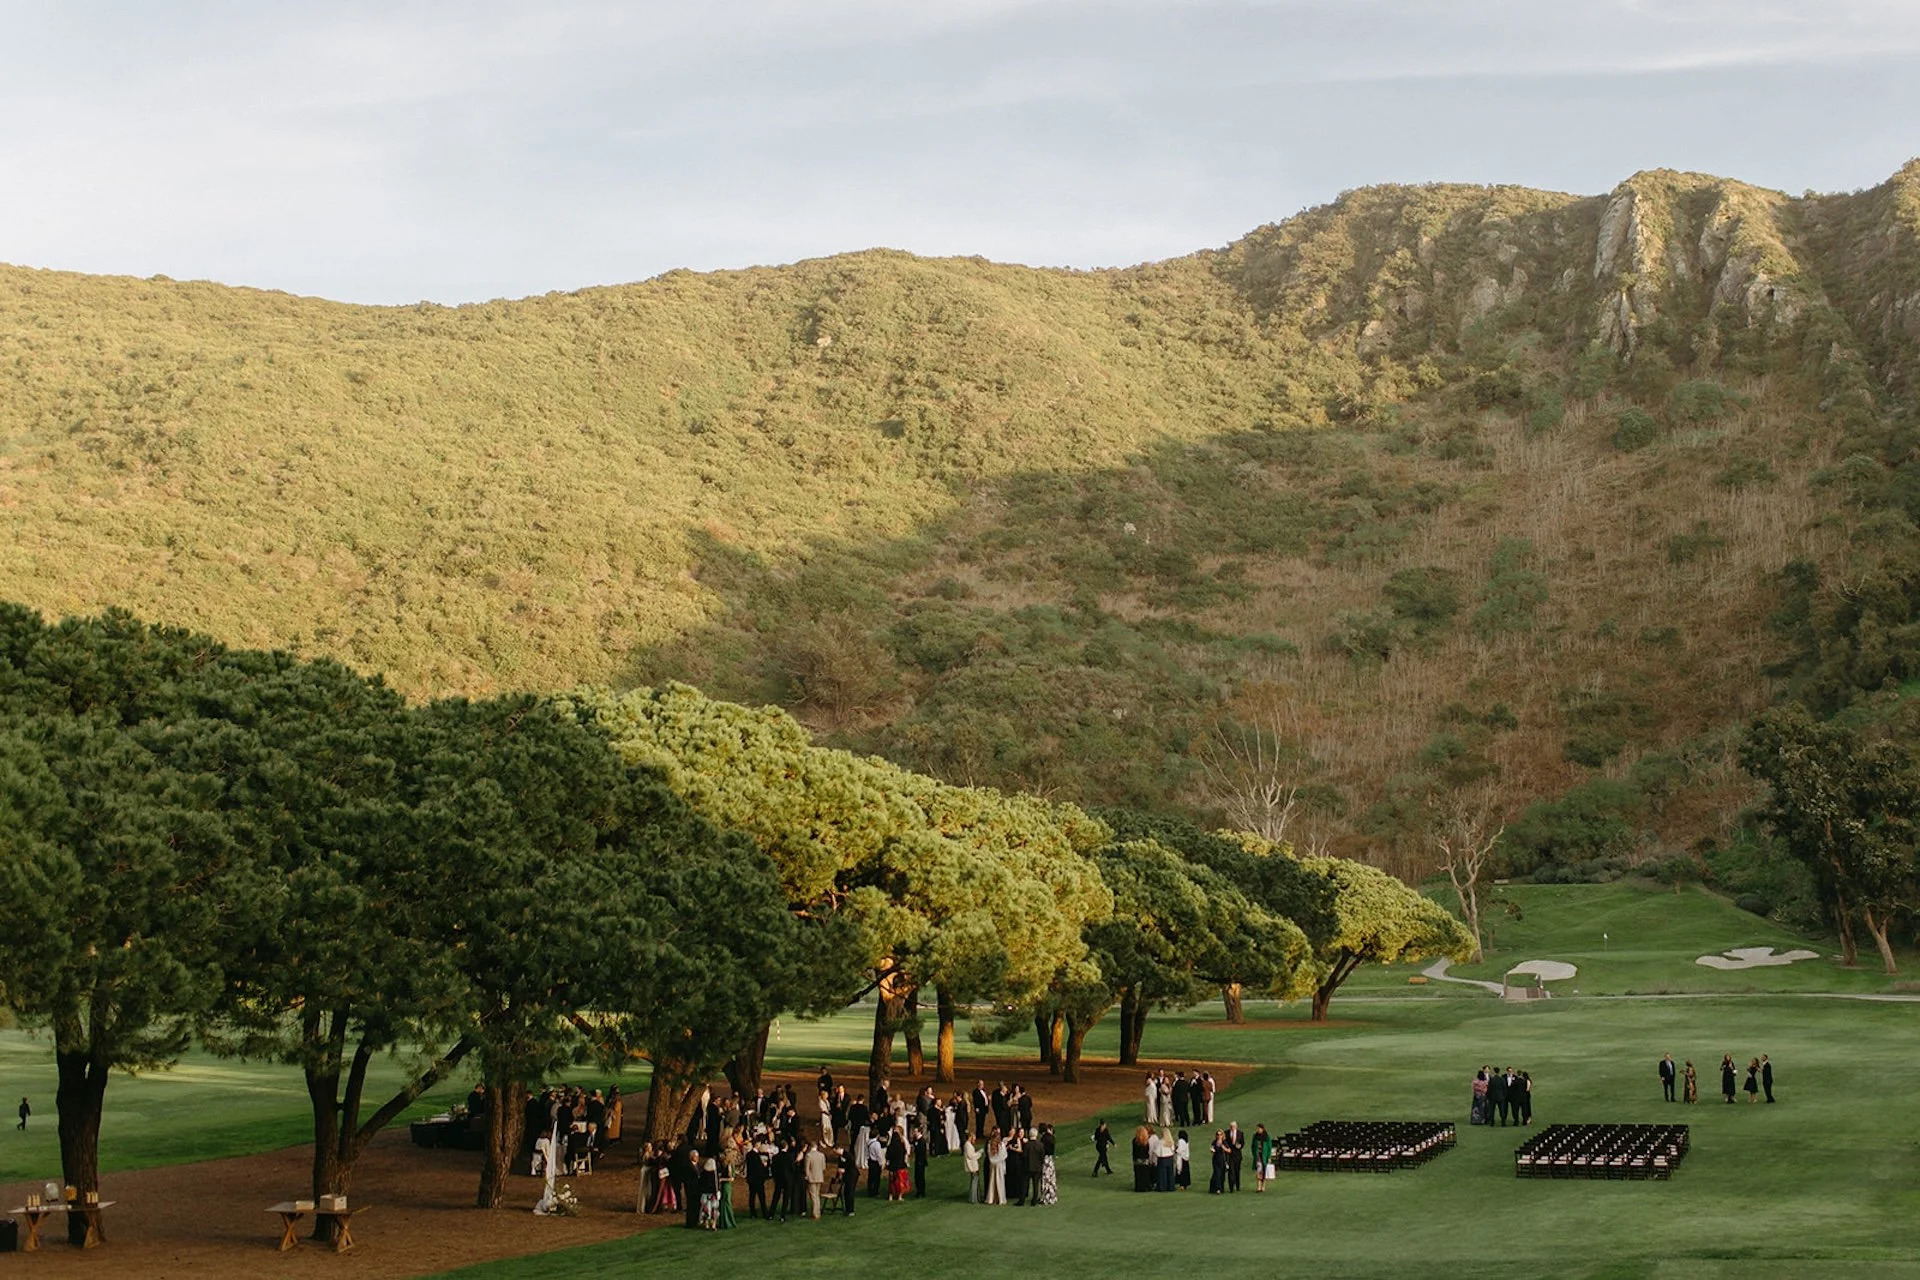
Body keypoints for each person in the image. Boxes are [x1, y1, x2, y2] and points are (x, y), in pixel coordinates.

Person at [804, 1140, 827, 1218]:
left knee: (813, 1196)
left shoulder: (808, 1156)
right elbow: (823, 1167)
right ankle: (818, 1212)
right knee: (817, 1195)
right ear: (816, 1146)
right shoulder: (822, 1155)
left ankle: (815, 1214)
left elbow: (807, 1168)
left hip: (812, 1178)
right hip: (819, 1177)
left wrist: (807, 1176)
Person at [1024, 1128, 1047, 1206]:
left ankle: (1022, 1200)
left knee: (1025, 1184)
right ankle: (1034, 1201)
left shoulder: (1027, 1145)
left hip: (1028, 1167)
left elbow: (1024, 1156)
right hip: (1037, 1167)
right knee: (1035, 1185)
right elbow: (1042, 1156)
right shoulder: (1040, 1145)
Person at [987, 1132, 1008, 1204]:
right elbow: (1004, 1155)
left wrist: (994, 1161)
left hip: (993, 1165)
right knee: (999, 1181)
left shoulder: (990, 1145)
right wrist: (998, 1161)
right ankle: (1000, 1198)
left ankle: (992, 1198)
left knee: (993, 1181)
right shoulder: (1001, 1145)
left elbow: (990, 1157)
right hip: (999, 1165)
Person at [1251, 1123, 1273, 1193]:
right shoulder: (1255, 1136)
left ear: (1262, 1129)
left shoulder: (1267, 1137)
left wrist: (1269, 1157)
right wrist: (1254, 1154)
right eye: (1257, 1128)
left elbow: (1269, 1148)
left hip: (1264, 1156)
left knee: (1264, 1171)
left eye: (1259, 1128)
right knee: (1259, 1171)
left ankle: (1263, 1186)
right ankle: (1259, 1186)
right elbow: (1253, 1146)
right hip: (1258, 1156)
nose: (1258, 1130)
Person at [1225, 1121, 1245, 1191]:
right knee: (1231, 1171)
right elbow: (1225, 1142)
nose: (1232, 1128)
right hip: (1229, 1155)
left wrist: (1240, 1146)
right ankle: (1231, 1187)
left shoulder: (1240, 1133)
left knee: (1237, 1171)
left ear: (1236, 1126)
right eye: (1231, 1126)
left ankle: (1237, 1185)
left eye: (1233, 1126)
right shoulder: (1226, 1133)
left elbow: (1242, 1143)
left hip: (1237, 1155)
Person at [1132, 1125, 1153, 1192]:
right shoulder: (1146, 1141)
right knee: (1145, 1174)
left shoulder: (1134, 1141)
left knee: (1138, 1175)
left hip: (1137, 1161)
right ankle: (1146, 1187)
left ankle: (1138, 1187)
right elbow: (1147, 1151)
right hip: (1144, 1160)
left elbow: (1134, 1151)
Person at [1155, 1127, 1177, 1193]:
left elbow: (1157, 1152)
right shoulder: (1171, 1142)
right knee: (1170, 1173)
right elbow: (1173, 1150)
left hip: (1163, 1159)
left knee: (1162, 1174)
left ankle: (1162, 1187)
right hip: (1170, 1158)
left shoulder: (1160, 1142)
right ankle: (1171, 1187)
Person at [840, 1142, 858, 1216]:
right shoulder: (841, 1157)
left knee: (850, 1192)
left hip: (852, 1176)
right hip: (847, 1177)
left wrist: (844, 1170)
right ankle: (847, 1209)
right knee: (846, 1192)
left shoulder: (848, 1155)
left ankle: (851, 1210)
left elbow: (851, 1166)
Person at [964, 1132, 983, 1202]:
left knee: (975, 1182)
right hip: (972, 1166)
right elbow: (971, 1156)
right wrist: (979, 1153)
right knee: (974, 1183)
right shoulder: (967, 1145)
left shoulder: (968, 1145)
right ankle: (973, 1199)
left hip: (973, 1165)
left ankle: (976, 1197)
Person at [1208, 1130, 1227, 1194]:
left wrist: (1224, 1148)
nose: (1219, 1136)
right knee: (1217, 1173)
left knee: (1221, 1174)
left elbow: (1229, 1150)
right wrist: (1212, 1150)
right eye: (1218, 1135)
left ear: (1222, 1135)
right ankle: (1218, 1189)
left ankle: (1218, 1188)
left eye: (1220, 1134)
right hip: (1215, 1159)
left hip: (1222, 1160)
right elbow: (1212, 1148)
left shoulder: (1224, 1142)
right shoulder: (1214, 1142)